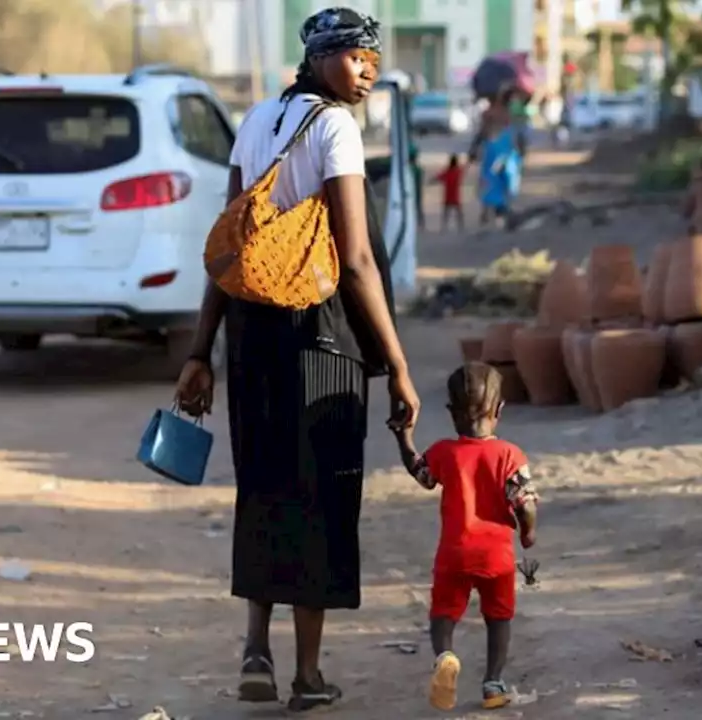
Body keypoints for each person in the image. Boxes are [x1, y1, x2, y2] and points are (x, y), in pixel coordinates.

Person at [173, 6, 421, 713]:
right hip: (319, 335)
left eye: (371, 58)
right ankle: (307, 676)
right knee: (318, 490)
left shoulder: (254, 123)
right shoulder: (336, 128)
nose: (364, 69)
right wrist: (398, 366)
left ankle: (257, 649)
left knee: (265, 484)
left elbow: (230, 248)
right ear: (315, 59)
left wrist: (202, 351)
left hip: (251, 335)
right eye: (349, 56)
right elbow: (358, 261)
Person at [389, 362, 539, 710]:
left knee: (443, 614)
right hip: (496, 557)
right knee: (498, 617)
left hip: (454, 553)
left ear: (451, 413)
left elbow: (421, 474)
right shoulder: (509, 455)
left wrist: (403, 437)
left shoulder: (444, 452)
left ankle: (445, 656)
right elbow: (525, 503)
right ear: (499, 410)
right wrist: (528, 534)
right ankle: (493, 684)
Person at [477, 116, 522, 228]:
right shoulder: (501, 138)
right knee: (495, 192)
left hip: (498, 168)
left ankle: (495, 216)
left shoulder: (499, 139)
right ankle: (494, 215)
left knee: (495, 192)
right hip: (495, 169)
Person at [433, 154, 465, 232]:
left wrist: (431, 181)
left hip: (448, 195)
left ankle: (444, 228)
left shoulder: (447, 171)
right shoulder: (458, 171)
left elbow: (438, 177)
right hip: (456, 196)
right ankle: (461, 227)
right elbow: (464, 169)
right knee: (458, 213)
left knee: (446, 213)